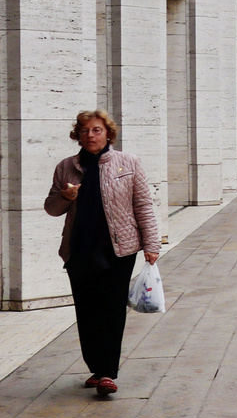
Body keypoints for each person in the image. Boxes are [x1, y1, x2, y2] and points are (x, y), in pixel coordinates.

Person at [44, 109, 161, 397]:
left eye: (96, 130)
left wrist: (151, 244)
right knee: (87, 311)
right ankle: (96, 369)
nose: (90, 135)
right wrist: (64, 196)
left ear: (108, 133)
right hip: (79, 250)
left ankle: (108, 372)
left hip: (118, 249)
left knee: (110, 309)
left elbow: (143, 205)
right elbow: (51, 209)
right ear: (77, 135)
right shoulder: (66, 167)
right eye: (84, 131)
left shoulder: (128, 163)